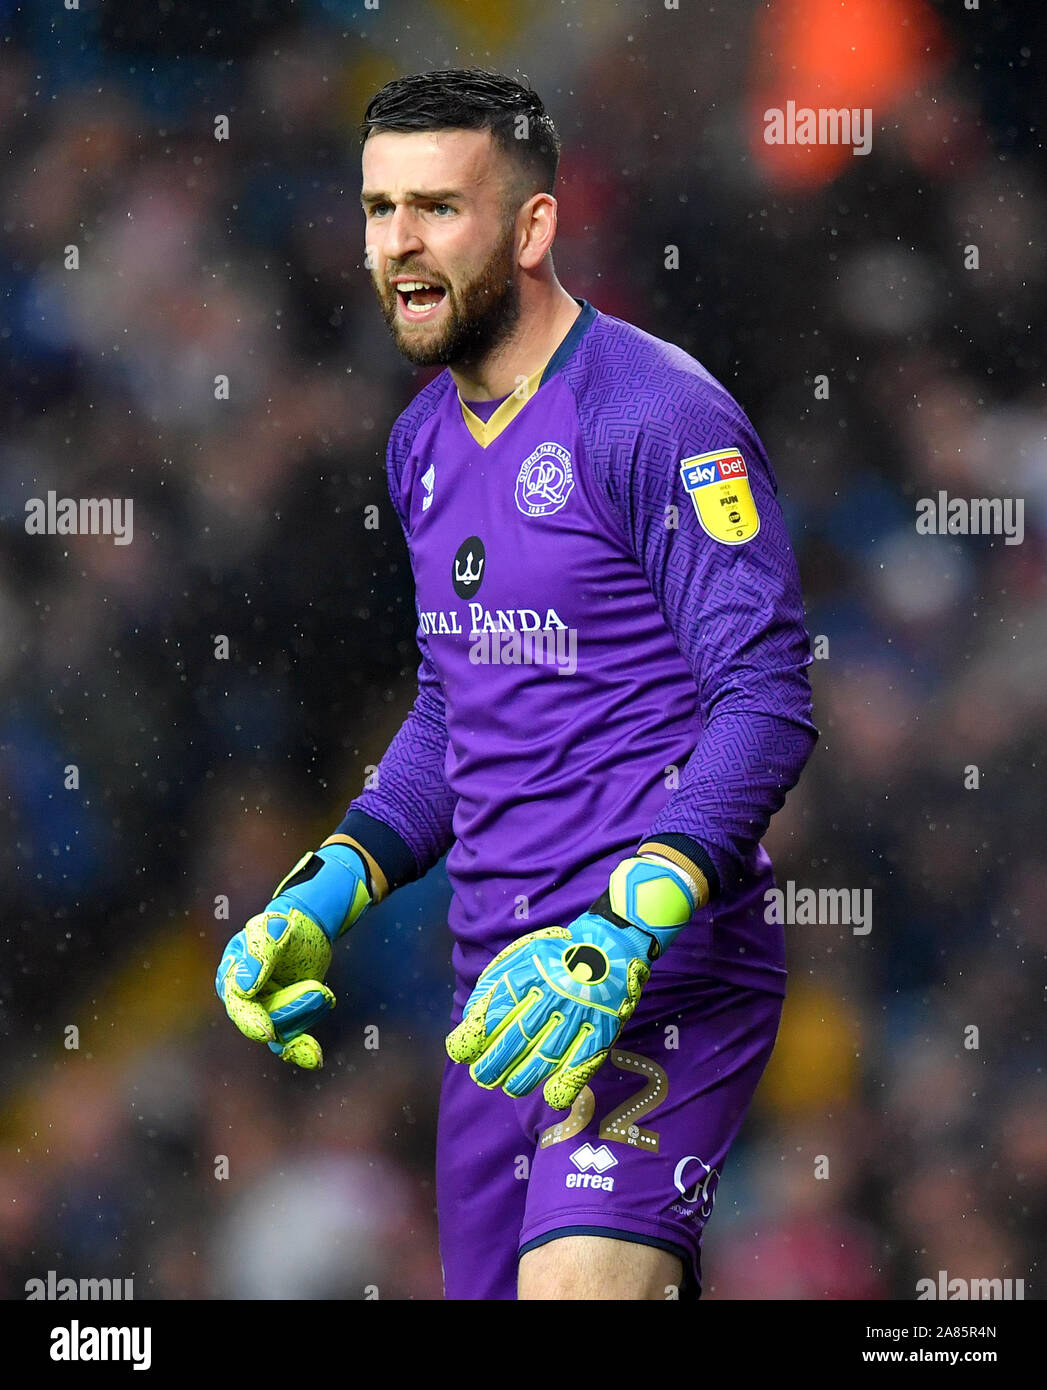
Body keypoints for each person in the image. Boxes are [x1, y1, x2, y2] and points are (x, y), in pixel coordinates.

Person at [216, 67, 818, 1301]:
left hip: (653, 978)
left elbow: (764, 698)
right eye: (380, 209)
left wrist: (622, 931)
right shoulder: (422, 443)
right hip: (497, 1013)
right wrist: (326, 886)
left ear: (533, 228)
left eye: (439, 208)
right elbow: (459, 707)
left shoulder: (661, 418)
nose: (399, 246)